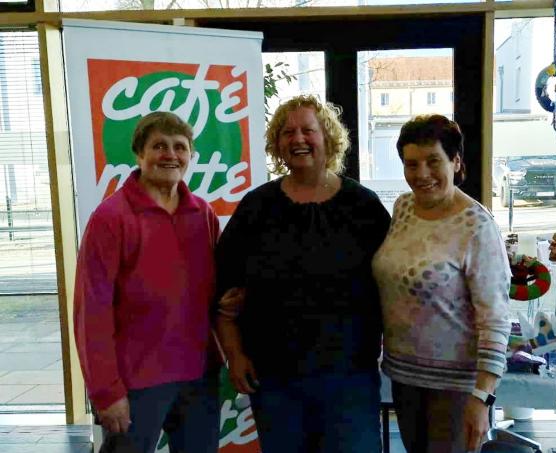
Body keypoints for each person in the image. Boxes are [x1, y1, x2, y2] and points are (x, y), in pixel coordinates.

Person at [214, 94, 391, 452]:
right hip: (275, 379)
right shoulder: (256, 207)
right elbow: (223, 289)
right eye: (287, 132)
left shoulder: (363, 207)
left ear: (328, 138)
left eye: (308, 130)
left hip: (349, 378)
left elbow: (395, 283)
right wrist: (235, 354)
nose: (297, 139)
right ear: (278, 145)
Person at [73, 111, 221, 453]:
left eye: (180, 147)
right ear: (140, 154)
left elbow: (218, 295)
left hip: (198, 379)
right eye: (159, 146)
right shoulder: (111, 218)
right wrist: (106, 391)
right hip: (134, 384)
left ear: (190, 156)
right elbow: (90, 311)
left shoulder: (203, 214)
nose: (170, 155)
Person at [372, 114, 512, 453]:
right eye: (411, 164)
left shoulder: (476, 225)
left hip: (455, 388)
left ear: (456, 161)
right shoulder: (403, 207)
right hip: (404, 378)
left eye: (433, 161)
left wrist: (481, 398)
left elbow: (495, 318)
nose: (422, 174)